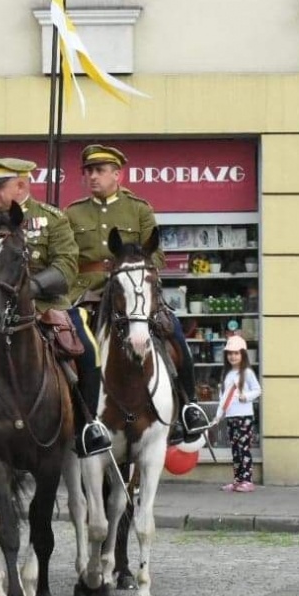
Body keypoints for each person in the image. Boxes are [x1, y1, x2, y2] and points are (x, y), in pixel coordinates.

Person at [0, 158, 112, 460]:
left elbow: (66, 266)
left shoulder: (51, 218)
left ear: (22, 185)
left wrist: (31, 289)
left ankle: (87, 427)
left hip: (45, 306)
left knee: (89, 349)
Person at [65, 144, 212, 441]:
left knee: (174, 334)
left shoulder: (139, 209)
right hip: (87, 295)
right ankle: (70, 413)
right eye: (89, 171)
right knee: (64, 345)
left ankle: (189, 406)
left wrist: (130, 273)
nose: (93, 176)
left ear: (117, 174)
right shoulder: (73, 212)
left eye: (100, 171)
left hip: (135, 294)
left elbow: (156, 256)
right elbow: (67, 259)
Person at [218, 334, 262, 493]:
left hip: (244, 417)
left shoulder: (248, 372)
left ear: (243, 354)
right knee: (235, 450)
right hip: (230, 417)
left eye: (236, 353)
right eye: (230, 353)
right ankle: (237, 480)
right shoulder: (227, 374)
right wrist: (218, 415)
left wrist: (246, 397)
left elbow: (258, 390)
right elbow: (223, 398)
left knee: (244, 449)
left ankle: (247, 480)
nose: (233, 356)